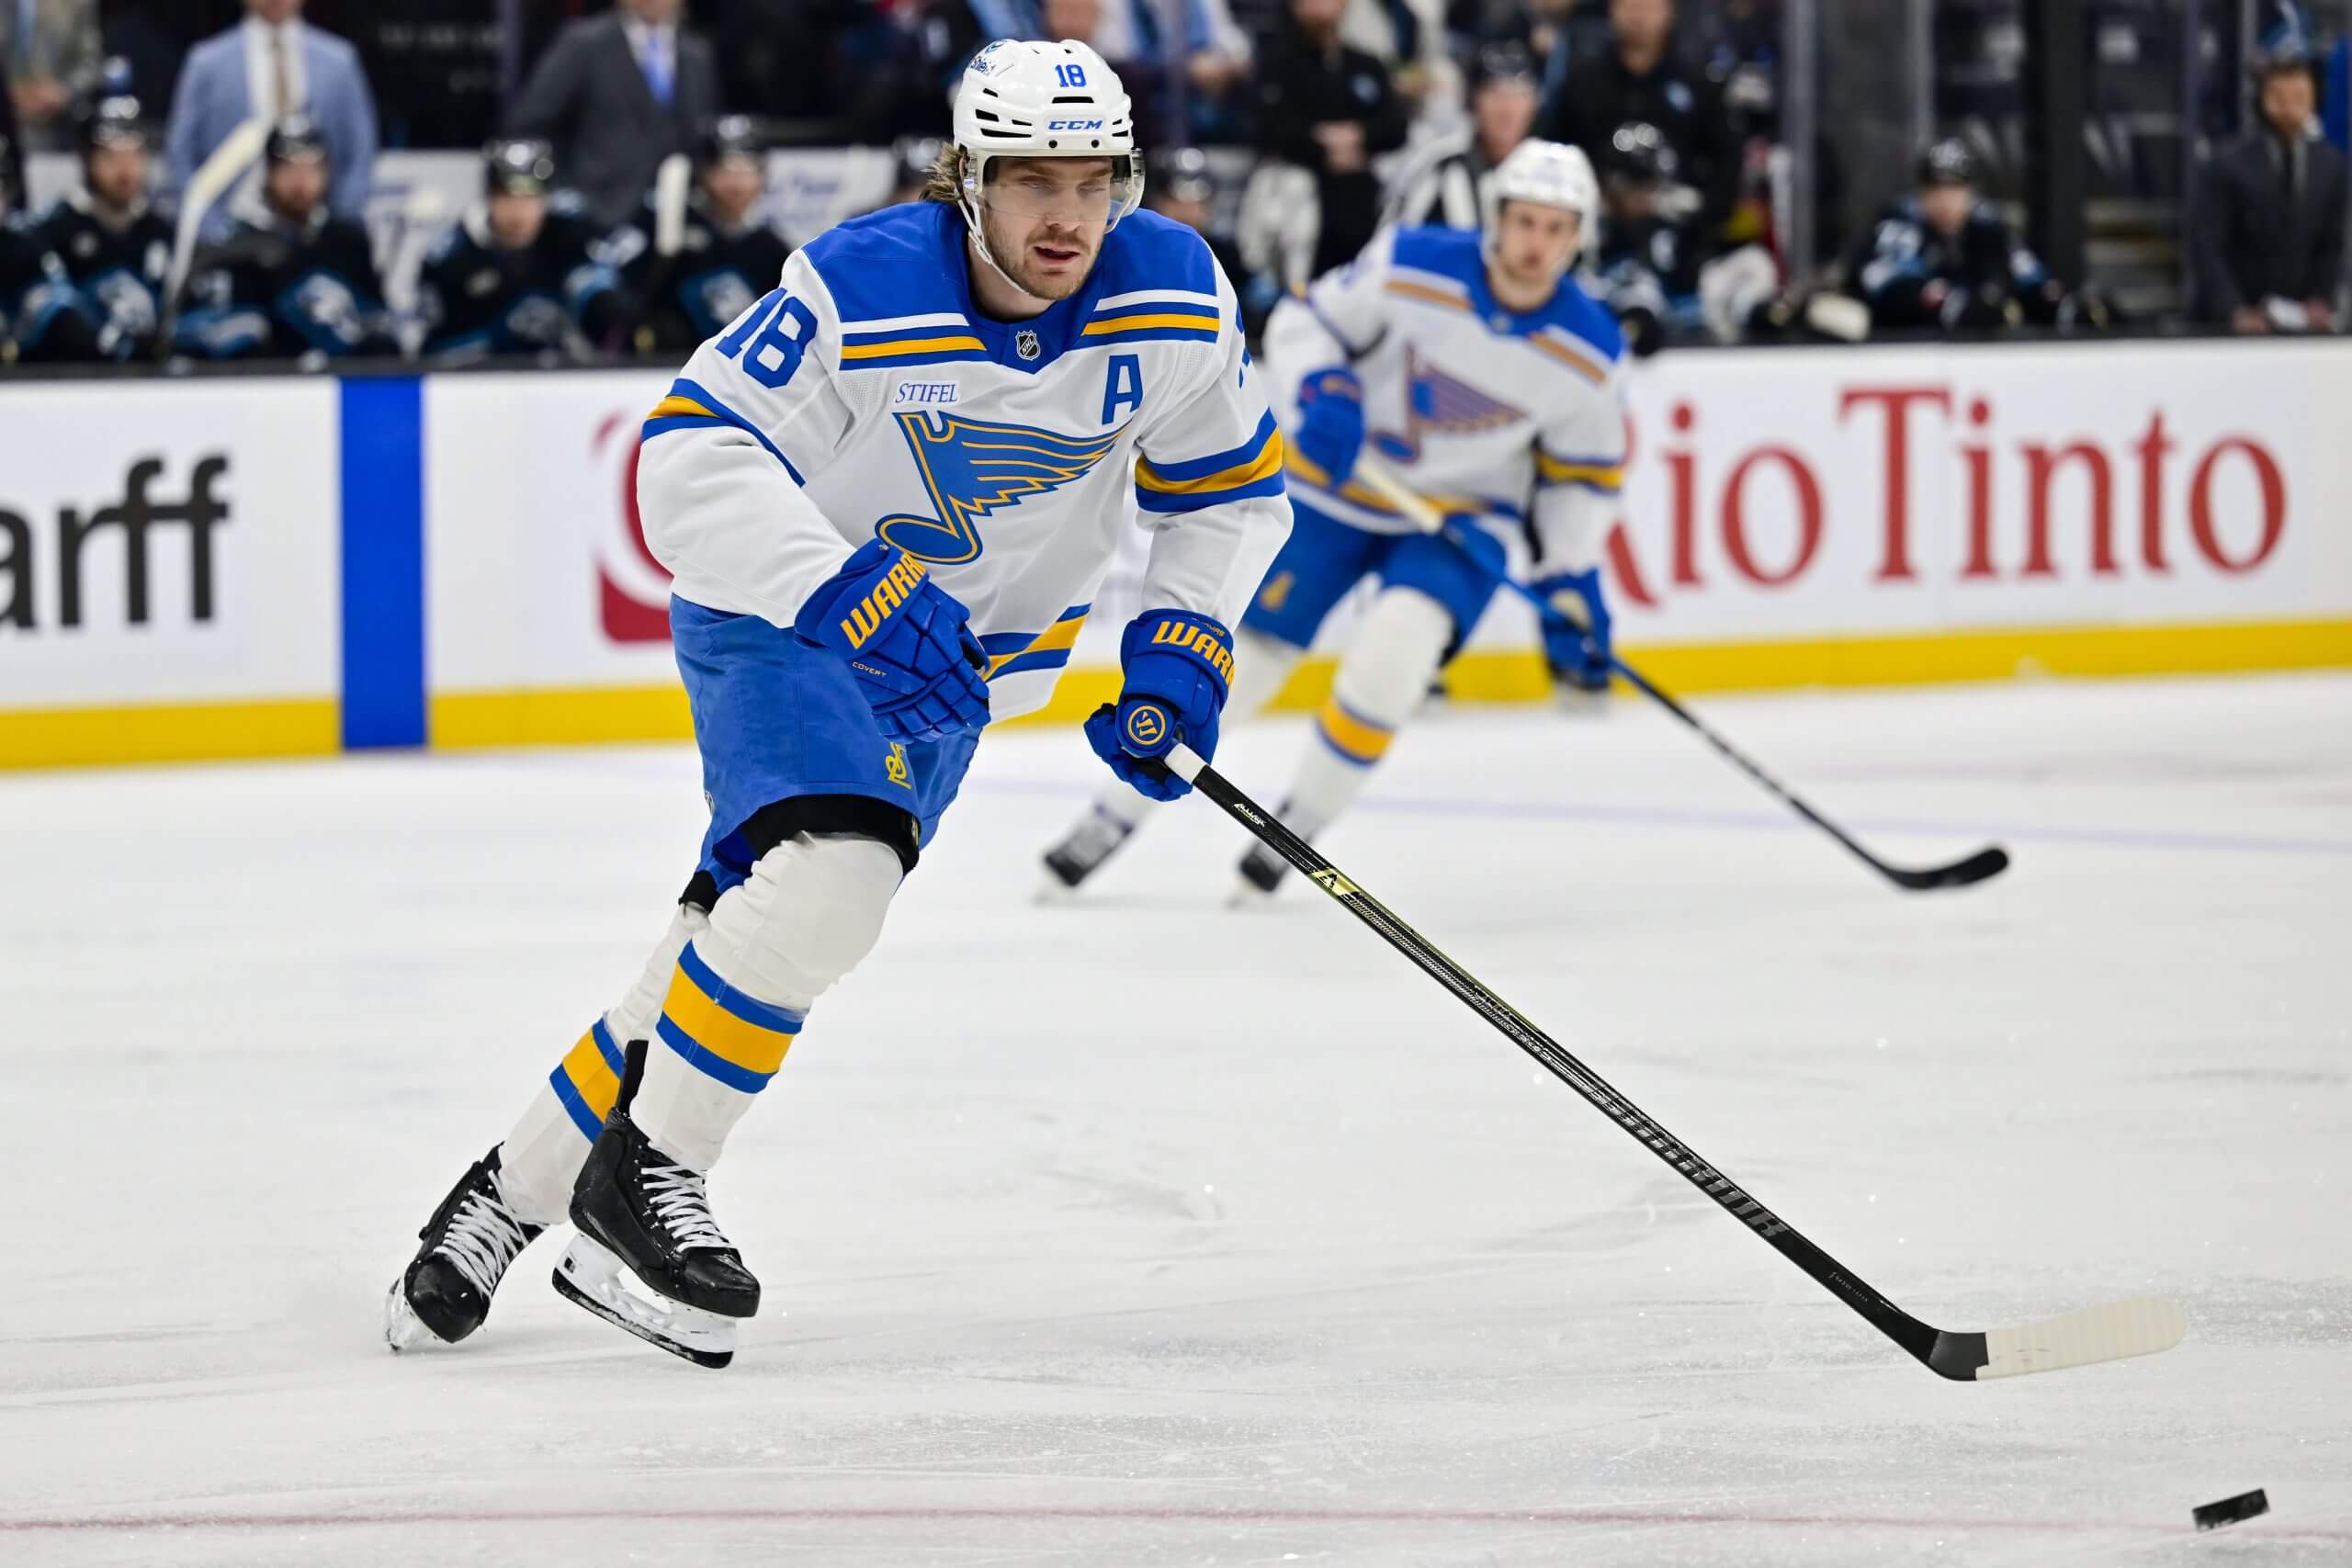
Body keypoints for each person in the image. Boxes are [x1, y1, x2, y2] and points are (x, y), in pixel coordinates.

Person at [384, 39, 1290, 1367]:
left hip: (956, 678)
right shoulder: (862, 288)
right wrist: (844, 589)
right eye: (1031, 179)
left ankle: (509, 1192)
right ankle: (649, 1178)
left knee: (746, 937)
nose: (1066, 214)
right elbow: (689, 459)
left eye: (1094, 180)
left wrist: (1181, 644)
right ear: (965, 179)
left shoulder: (1177, 297)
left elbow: (1227, 493)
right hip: (785, 619)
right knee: (836, 877)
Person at [1041, 140, 1623, 897]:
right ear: (1496, 217)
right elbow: (1303, 321)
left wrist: (1569, 573)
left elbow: (1579, 479)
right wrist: (1325, 386)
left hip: (1457, 520)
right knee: (1239, 666)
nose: (1536, 244)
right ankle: (1113, 814)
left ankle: (1299, 827)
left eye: (1556, 228)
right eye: (1525, 221)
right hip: (1332, 493)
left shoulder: (1590, 348)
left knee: (1392, 662)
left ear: (1578, 237)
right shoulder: (1412, 263)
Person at [1538, 0, 1736, 285]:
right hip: (1594, 247)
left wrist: (1700, 223)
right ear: (1612, 10)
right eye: (1629, 4)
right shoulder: (1582, 82)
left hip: (1682, 252)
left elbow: (1726, 163)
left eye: (1650, 5)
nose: (1639, 14)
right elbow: (1553, 151)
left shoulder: (1699, 86)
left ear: (1669, 12)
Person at [172, 115, 397, 361]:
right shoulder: (240, 249)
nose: (300, 181)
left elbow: (379, 326)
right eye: (289, 168)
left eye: (310, 168)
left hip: (342, 387)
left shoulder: (349, 244)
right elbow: (211, 341)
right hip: (271, 390)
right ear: (269, 173)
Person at [1844, 139, 2103, 335]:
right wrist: (1949, 305)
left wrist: (2065, 306)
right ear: (1922, 191)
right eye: (1936, 188)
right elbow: (1892, 287)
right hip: (1902, 353)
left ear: (1970, 191)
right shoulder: (1901, 222)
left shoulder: (1987, 227)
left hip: (1975, 361)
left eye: (1955, 188)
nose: (1946, 200)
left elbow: (2030, 279)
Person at [506, 0, 719, 229]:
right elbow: (531, 124)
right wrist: (566, 194)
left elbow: (702, 137)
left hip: (675, 221)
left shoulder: (696, 54)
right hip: (595, 219)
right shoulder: (583, 44)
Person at [164, 0, 378, 223]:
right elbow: (181, 151)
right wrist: (211, 226)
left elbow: (361, 150)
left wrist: (340, 220)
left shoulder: (340, 62)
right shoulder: (206, 63)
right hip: (233, 228)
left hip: (319, 225)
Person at [414, 139, 627, 363]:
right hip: (482, 388)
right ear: (488, 196)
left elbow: (605, 307)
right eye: (507, 196)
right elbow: (433, 354)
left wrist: (574, 326)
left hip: (567, 384)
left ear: (546, 198)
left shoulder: (570, 238)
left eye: (530, 196)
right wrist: (500, 333)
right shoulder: (450, 257)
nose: (519, 211)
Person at [2191, 28, 2344, 334]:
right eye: (2280, 93)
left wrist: (2320, 299)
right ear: (2263, 97)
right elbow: (2207, 248)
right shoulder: (2226, 164)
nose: (2291, 103)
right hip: (2233, 327)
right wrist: (2234, 310)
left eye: (2301, 94)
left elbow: (2331, 244)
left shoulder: (2331, 165)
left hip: (2300, 327)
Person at [599, 116, 793, 356]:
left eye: (748, 169)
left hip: (734, 375)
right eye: (725, 168)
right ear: (705, 171)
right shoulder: (660, 219)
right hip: (658, 368)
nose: (736, 182)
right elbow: (608, 282)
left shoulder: (771, 250)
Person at [1252, 0, 1409, 276]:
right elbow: (1269, 128)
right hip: (1301, 193)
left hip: (1361, 194)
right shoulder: (1278, 64)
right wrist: (1324, 148)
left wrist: (1359, 135)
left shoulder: (1366, 64)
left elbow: (1396, 126)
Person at [12, 93, 171, 361]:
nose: (125, 170)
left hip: (149, 385)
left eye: (133, 155)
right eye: (111, 157)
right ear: (87, 158)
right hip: (71, 383)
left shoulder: (163, 232)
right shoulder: (52, 231)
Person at [1383, 41, 1541, 231]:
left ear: (1534, 104)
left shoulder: (1548, 172)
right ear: (1473, 100)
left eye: (1519, 95)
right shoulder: (1437, 166)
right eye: (1495, 93)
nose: (1507, 109)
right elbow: (1393, 246)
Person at [1, 0, 99, 152]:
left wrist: (62, 92)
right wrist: (8, 93)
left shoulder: (79, 4)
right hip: (5, 114)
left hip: (58, 124)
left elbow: (91, 64)